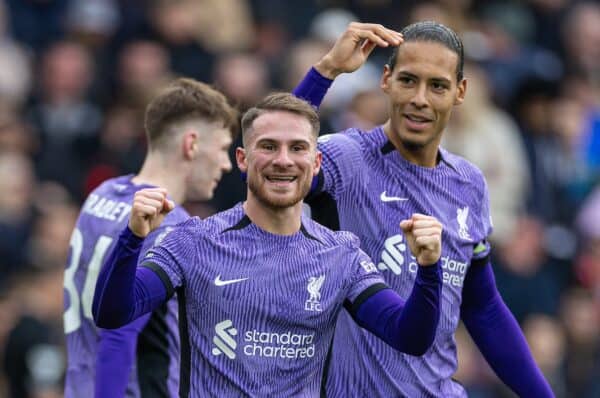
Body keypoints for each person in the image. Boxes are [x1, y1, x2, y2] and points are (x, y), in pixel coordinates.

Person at [92, 93, 444, 396]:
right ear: (243, 160)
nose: (283, 160)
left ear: (315, 162)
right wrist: (132, 237)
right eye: (269, 146)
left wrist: (429, 268)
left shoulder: (342, 255)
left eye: (298, 148)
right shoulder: (193, 241)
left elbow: (409, 337)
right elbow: (112, 312)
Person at [292, 21, 554, 397]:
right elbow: (269, 159)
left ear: (459, 91)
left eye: (437, 86)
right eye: (408, 80)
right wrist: (326, 71)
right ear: (387, 80)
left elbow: (483, 307)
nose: (420, 98)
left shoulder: (468, 183)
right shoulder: (347, 160)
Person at [63, 78, 237, 397]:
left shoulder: (102, 195)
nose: (226, 165)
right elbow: (117, 337)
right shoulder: (167, 226)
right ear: (192, 144)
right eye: (224, 148)